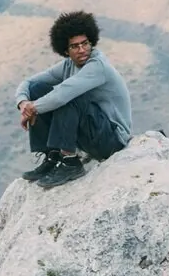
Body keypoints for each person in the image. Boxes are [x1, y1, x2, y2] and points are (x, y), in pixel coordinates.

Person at [16, 10, 133, 187]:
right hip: (92, 134)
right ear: (65, 50)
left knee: (70, 96)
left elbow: (62, 95)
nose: (82, 50)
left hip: (112, 139)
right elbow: (29, 82)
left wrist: (32, 109)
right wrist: (23, 102)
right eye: (75, 46)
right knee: (37, 89)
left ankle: (70, 162)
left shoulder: (97, 66)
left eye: (85, 44)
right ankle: (52, 156)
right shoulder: (68, 65)